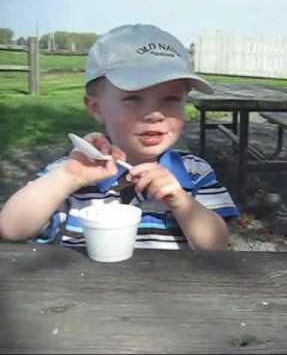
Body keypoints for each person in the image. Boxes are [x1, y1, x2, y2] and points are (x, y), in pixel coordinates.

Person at [0, 24, 239, 250]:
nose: (155, 114)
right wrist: (68, 177)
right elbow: (11, 229)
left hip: (170, 292)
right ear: (97, 108)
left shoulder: (193, 172)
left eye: (171, 99)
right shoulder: (74, 170)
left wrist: (181, 201)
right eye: (134, 98)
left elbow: (217, 247)